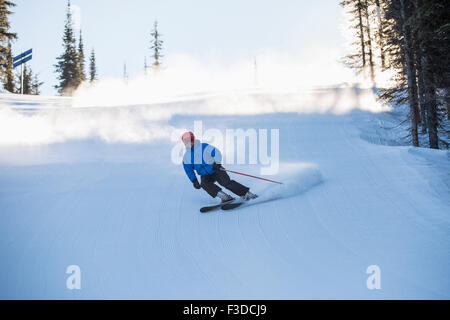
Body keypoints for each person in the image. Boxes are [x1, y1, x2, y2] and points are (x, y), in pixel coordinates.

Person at [181, 131, 258, 203]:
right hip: (205, 174)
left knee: (225, 182)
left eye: (190, 140)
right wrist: (194, 180)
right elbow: (188, 170)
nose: (188, 143)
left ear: (193, 139)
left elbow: (216, 152)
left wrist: (217, 163)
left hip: (216, 169)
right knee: (204, 184)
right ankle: (224, 197)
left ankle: (247, 194)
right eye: (186, 141)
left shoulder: (204, 147)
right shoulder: (186, 157)